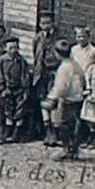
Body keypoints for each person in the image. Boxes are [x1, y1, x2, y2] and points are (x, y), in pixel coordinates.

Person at [44, 38, 86, 161]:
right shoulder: (76, 64)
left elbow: (61, 86)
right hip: (78, 98)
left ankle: (67, 150)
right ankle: (74, 150)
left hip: (68, 99)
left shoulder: (64, 68)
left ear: (57, 54)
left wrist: (51, 98)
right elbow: (83, 81)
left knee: (64, 125)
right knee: (75, 125)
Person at [31, 11, 60, 144]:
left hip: (53, 73)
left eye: (48, 23)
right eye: (43, 23)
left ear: (53, 23)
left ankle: (54, 132)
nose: (45, 26)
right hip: (41, 74)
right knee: (43, 101)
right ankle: (46, 130)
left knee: (53, 102)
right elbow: (35, 55)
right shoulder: (37, 38)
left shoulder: (58, 38)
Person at [0, 36, 32, 143]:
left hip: (19, 89)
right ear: (6, 48)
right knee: (8, 110)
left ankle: (16, 133)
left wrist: (26, 91)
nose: (13, 50)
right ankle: (8, 132)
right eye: (10, 48)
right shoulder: (3, 60)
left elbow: (25, 77)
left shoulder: (21, 61)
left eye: (15, 48)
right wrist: (2, 87)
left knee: (19, 111)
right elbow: (0, 74)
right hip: (8, 89)